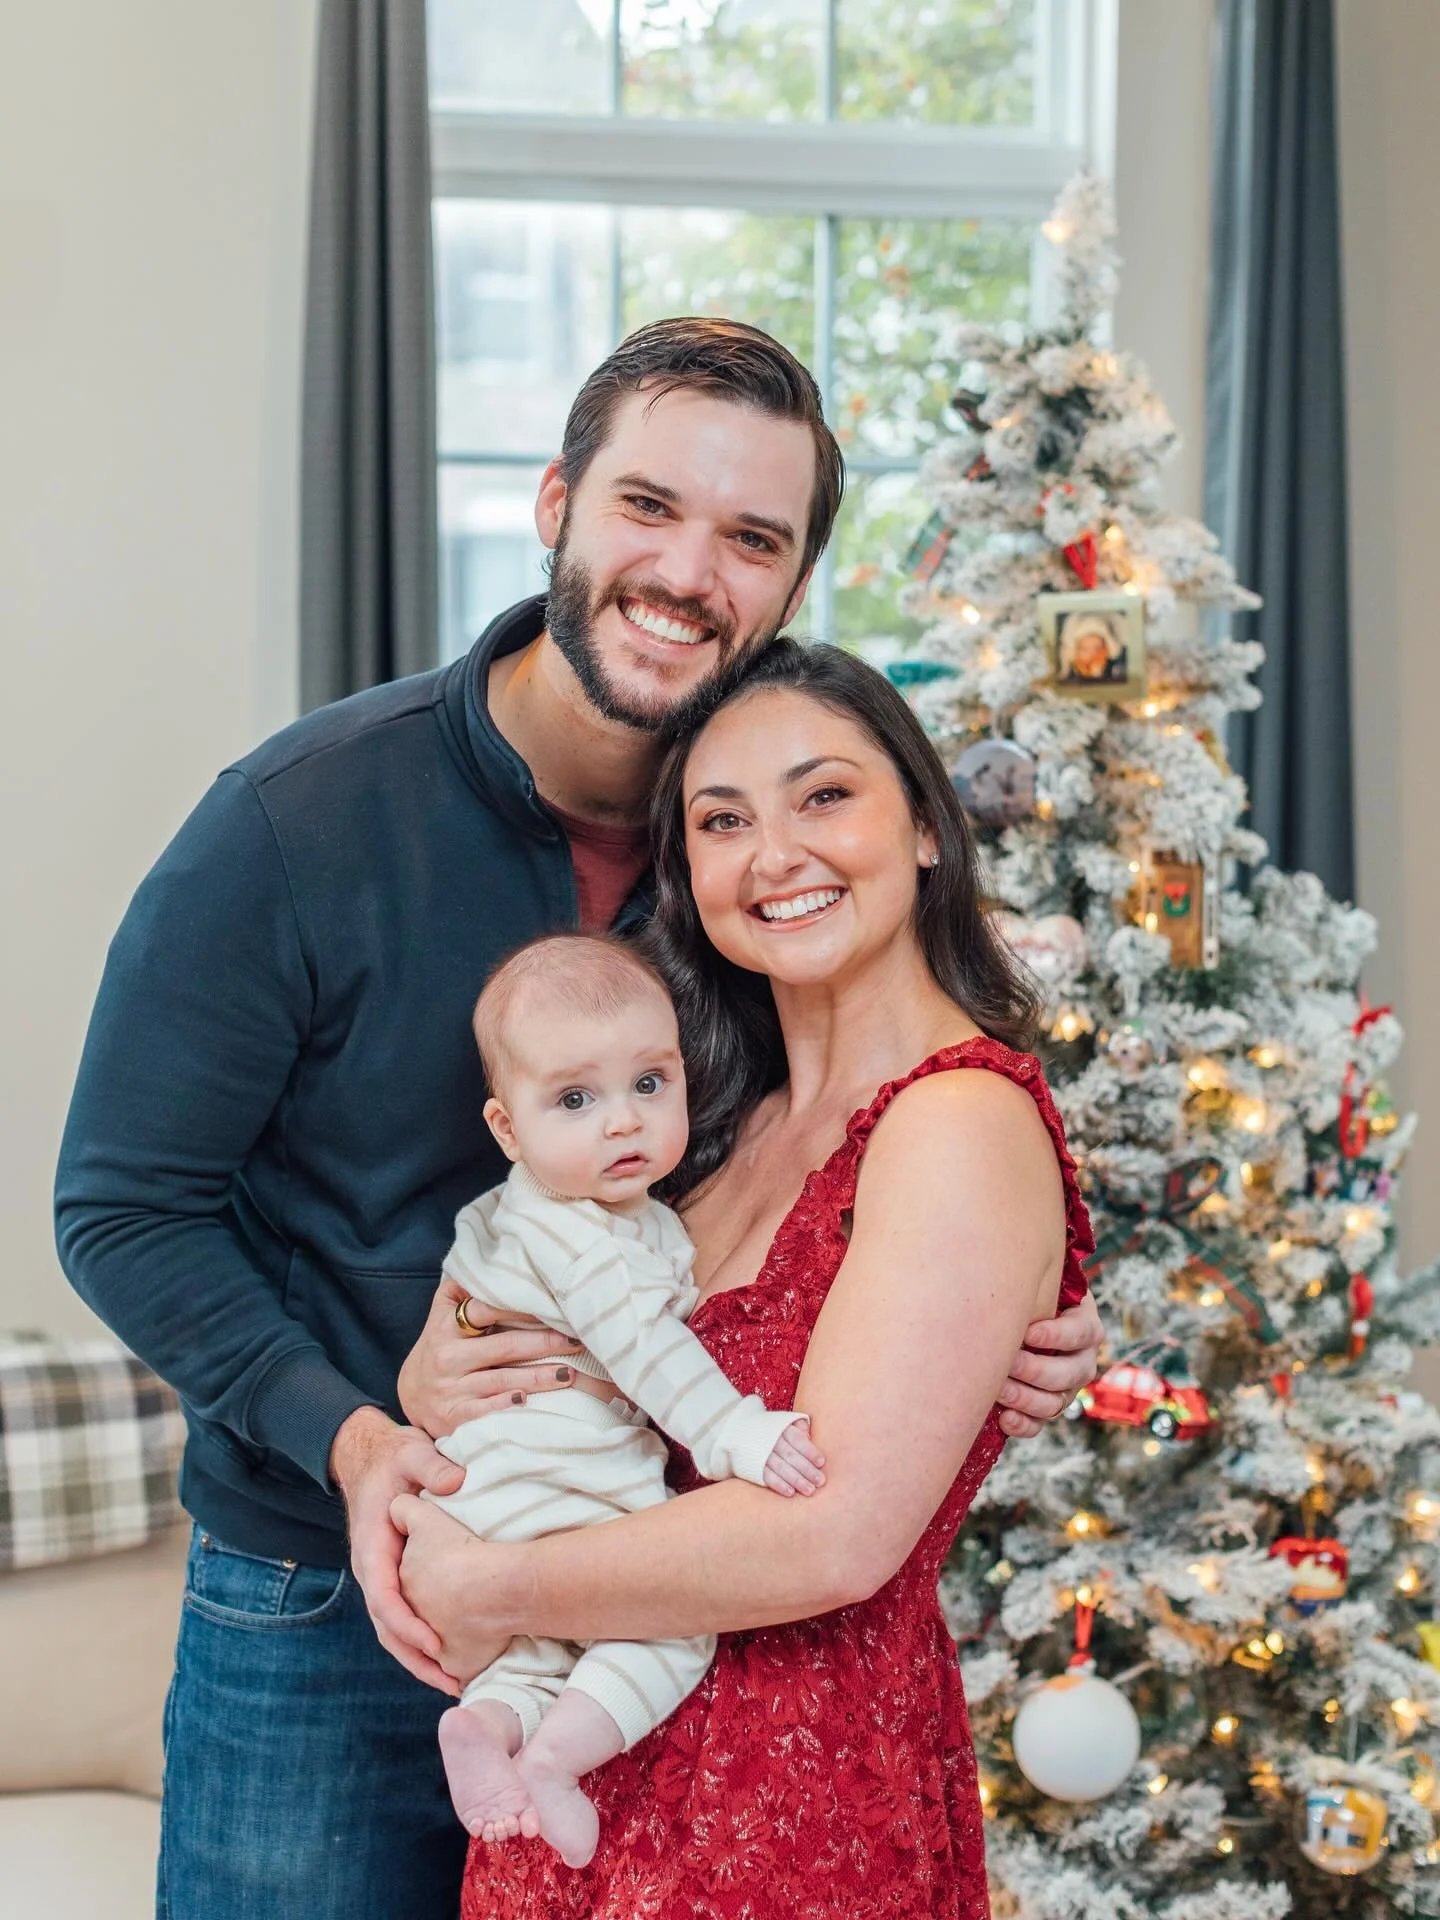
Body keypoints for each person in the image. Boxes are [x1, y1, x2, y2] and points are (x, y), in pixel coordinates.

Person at [54, 316, 1102, 1920]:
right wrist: (357, 1434)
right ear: (556, 501)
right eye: (647, 507)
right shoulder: (301, 821)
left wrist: (991, 1339)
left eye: (751, 538)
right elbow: (121, 1206)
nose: (690, 571)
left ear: (791, 587)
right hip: (320, 1592)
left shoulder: (750, 890)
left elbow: (838, 1207)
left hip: (650, 1623)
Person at [392, 638, 1094, 1916]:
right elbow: (533, 1310)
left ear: (929, 826)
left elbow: (830, 1534)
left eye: (825, 795)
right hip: (587, 1789)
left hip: (786, 1814)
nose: (775, 855)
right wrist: (431, 1370)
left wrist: (490, 1584)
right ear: (690, 872)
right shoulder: (696, 1121)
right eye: (724, 820)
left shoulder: (956, 1122)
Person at [430, 932, 822, 1867]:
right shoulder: (584, 1239)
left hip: (493, 1496)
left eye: (650, 1083)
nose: (623, 1122)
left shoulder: (545, 1210)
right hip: (562, 1481)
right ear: (507, 1130)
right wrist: (735, 1432)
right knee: (672, 1628)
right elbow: (649, 1349)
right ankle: (559, 1762)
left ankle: (485, 1728)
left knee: (535, 1655)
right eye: (576, 1099)